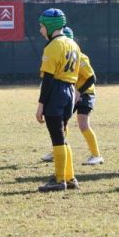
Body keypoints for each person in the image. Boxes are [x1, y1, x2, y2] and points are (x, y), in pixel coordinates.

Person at [40, 27, 104, 165]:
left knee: (83, 124)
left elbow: (91, 78)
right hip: (70, 93)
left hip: (85, 93)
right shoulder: (63, 52)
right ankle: (57, 149)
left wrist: (79, 92)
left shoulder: (80, 56)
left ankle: (96, 155)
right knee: (61, 122)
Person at [36, 9, 81, 192]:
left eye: (42, 26)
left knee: (57, 138)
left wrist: (40, 105)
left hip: (56, 91)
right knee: (62, 136)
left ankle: (59, 180)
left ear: (50, 25)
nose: (40, 30)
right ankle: (70, 178)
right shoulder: (73, 44)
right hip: (69, 91)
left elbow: (47, 79)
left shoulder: (53, 46)